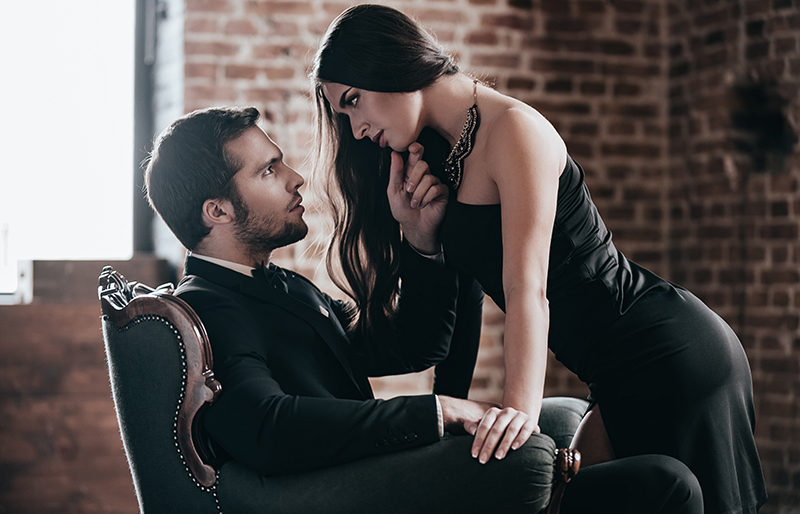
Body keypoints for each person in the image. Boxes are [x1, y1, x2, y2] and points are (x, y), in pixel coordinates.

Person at [311, 4, 766, 513]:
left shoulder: (515, 130)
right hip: (614, 374)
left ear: (388, 62)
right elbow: (461, 311)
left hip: (670, 352)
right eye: (342, 114)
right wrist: (423, 242)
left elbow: (528, 288)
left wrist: (518, 414)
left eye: (353, 102)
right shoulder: (440, 155)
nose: (354, 129)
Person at [143, 105, 703, 513]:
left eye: (281, 163)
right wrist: (438, 412)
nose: (296, 179)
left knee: (654, 474)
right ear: (217, 210)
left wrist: (420, 242)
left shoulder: (271, 286)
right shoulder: (210, 307)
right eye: (267, 171)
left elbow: (407, 345)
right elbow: (267, 427)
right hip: (369, 492)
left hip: (388, 474)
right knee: (665, 484)